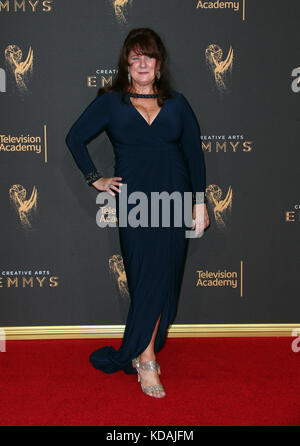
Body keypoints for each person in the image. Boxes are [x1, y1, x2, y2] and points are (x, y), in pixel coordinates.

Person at [65, 28, 210, 399]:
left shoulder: (177, 104)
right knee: (145, 278)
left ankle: (146, 349)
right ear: (126, 65)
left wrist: (199, 202)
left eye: (149, 56)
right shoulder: (112, 102)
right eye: (135, 57)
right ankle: (145, 358)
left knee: (166, 281)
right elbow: (74, 137)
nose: (143, 63)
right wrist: (94, 178)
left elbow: (194, 154)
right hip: (136, 205)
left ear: (159, 66)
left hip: (175, 202)